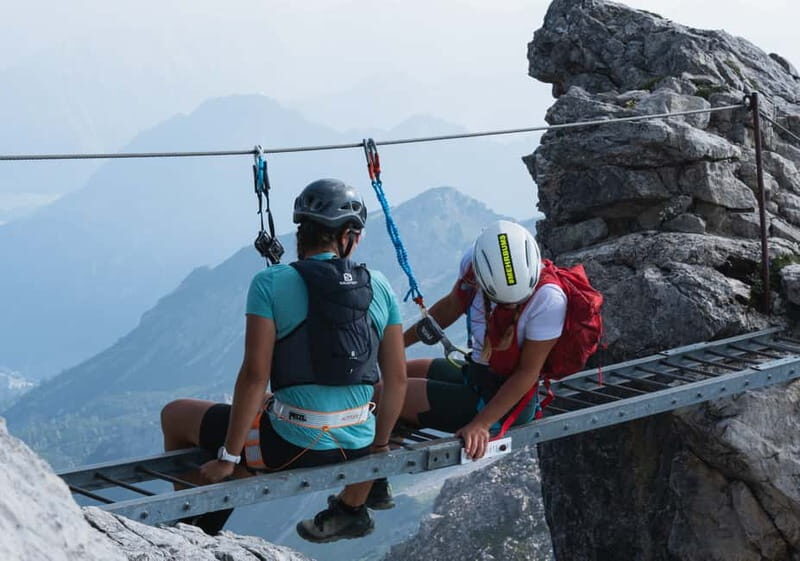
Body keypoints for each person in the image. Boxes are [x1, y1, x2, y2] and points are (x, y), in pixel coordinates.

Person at [160, 178, 407, 542]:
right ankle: (208, 514)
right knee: (260, 414)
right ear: (347, 236)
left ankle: (193, 533)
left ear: (302, 232)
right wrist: (378, 448)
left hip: (290, 445)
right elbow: (397, 378)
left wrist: (229, 455)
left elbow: (254, 375)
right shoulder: (380, 284)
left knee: (176, 414)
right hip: (357, 445)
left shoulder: (271, 282)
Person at [401, 219, 566, 459]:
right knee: (396, 372)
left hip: (506, 403)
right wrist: (396, 345)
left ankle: (371, 490)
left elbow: (527, 372)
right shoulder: (474, 264)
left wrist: (482, 424)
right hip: (476, 375)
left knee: (382, 395)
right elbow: (452, 306)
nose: (509, 306)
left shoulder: (549, 299)